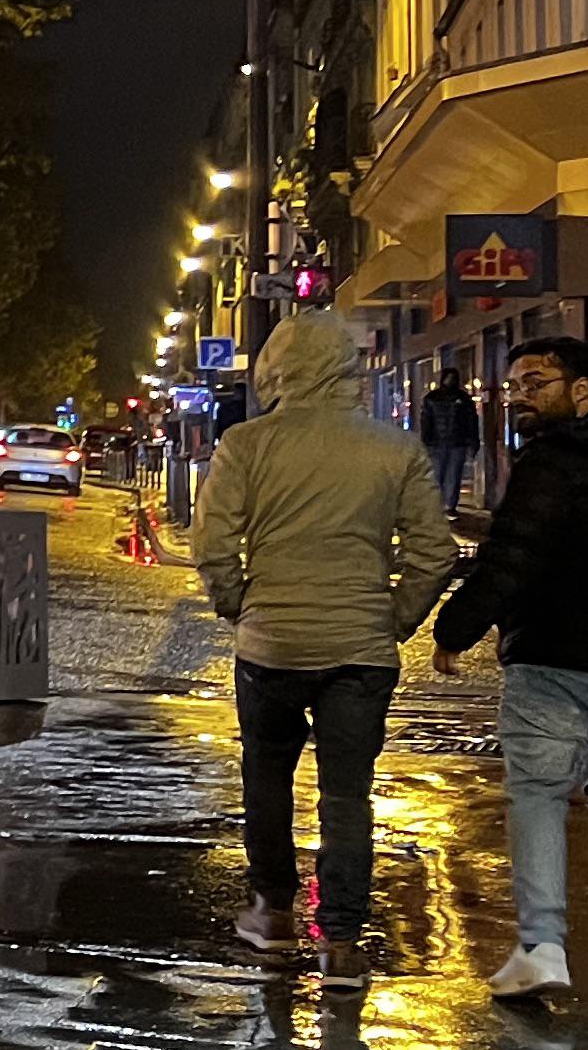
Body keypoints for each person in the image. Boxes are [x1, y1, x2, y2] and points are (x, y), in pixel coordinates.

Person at [189, 312, 454, 989]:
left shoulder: (246, 445)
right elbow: (433, 553)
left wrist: (237, 604)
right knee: (347, 795)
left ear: (275, 370)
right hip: (360, 650)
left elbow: (212, 543)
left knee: (266, 776)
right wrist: (393, 618)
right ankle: (340, 941)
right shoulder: (395, 449)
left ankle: (273, 912)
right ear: (348, 369)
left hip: (271, 644)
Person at [431, 333, 588, 1006]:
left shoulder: (550, 462)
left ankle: (541, 947)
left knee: (537, 793)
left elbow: (514, 555)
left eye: (537, 383)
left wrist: (455, 629)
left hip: (550, 654)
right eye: (516, 385)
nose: (520, 396)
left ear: (580, 389)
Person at [418, 367, 481, 517]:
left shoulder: (438, 398)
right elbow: (426, 422)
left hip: (453, 443)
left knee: (449, 475)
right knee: (441, 475)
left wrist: (472, 441)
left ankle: (446, 506)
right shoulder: (458, 399)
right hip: (442, 443)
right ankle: (441, 506)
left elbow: (471, 421)